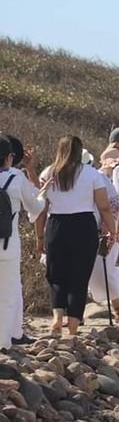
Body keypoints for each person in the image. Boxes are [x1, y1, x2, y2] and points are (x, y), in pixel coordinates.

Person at [37, 136, 117, 336]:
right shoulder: (91, 174)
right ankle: (73, 325)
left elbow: (41, 209)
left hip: (56, 225)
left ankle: (57, 317)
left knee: (56, 275)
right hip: (83, 225)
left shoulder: (49, 172)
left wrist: (39, 236)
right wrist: (113, 230)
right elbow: (104, 207)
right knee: (79, 277)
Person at [0, 136, 45, 348]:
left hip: (9, 245)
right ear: (9, 158)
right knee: (8, 294)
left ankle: (15, 333)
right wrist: (43, 193)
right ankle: (3, 343)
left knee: (12, 289)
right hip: (7, 245)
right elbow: (35, 209)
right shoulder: (16, 178)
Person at [86, 149, 119, 323]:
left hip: (103, 231)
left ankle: (117, 306)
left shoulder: (98, 178)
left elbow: (113, 205)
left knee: (103, 271)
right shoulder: (66, 177)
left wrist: (110, 228)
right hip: (83, 230)